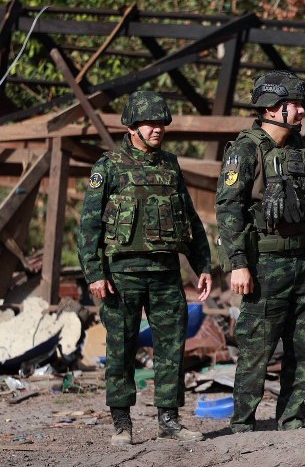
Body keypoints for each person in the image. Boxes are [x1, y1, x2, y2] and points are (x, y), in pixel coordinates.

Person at [78, 90, 212, 445]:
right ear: (132, 127)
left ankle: (169, 420)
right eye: (150, 123)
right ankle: (122, 423)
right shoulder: (108, 166)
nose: (157, 129)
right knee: (121, 348)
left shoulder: (170, 164)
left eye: (161, 123)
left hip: (165, 272)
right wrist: (94, 273)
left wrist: (203, 264)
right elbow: (89, 225)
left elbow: (189, 219)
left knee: (171, 346)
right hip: (122, 274)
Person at [216, 70, 305, 433]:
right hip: (265, 265)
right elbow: (229, 209)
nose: (301, 111)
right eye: (293, 104)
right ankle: (243, 423)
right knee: (257, 347)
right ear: (271, 108)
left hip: (303, 262)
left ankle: (292, 418)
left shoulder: (298, 149)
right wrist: (239, 264)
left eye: (300, 104)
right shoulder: (245, 150)